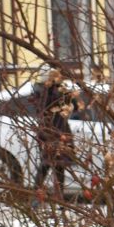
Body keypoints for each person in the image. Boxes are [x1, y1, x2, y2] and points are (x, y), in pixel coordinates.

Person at [33, 66, 76, 196]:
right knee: (47, 164)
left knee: (58, 166)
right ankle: (37, 195)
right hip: (50, 132)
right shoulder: (43, 91)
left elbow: (70, 104)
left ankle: (59, 197)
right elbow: (47, 106)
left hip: (59, 130)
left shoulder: (56, 90)